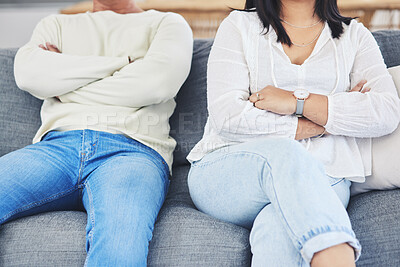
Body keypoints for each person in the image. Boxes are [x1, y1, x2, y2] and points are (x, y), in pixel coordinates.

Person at [187, 0, 400, 266]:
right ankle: (337, 255)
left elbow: (386, 112)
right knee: (287, 153)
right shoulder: (238, 27)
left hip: (325, 174)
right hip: (230, 172)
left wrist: (297, 102)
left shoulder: (354, 36)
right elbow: (228, 116)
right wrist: (322, 121)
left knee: (280, 226)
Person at [0, 0, 193, 266]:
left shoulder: (167, 23)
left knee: (120, 245)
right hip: (56, 147)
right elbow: (28, 74)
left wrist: (64, 84)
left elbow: (156, 84)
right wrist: (122, 63)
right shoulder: (56, 24)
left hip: (132, 152)